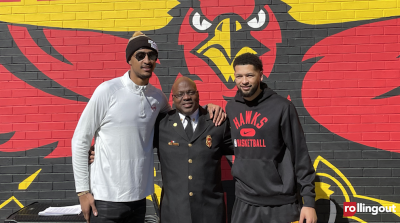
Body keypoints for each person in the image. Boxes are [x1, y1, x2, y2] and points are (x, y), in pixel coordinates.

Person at [72, 31, 225, 223]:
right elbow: (80, 140)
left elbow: (180, 119)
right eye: (140, 55)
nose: (147, 60)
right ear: (129, 59)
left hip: (139, 199)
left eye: (152, 55)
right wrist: (83, 192)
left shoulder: (157, 97)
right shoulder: (108, 91)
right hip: (106, 198)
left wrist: (206, 109)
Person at [226, 53, 317, 223]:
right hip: (244, 202)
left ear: (261, 74)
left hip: (280, 204)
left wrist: (309, 202)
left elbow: (300, 154)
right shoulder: (231, 107)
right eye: (239, 76)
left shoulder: (282, 107)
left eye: (249, 75)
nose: (244, 81)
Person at [154, 77, 234, 223]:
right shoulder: (161, 125)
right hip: (174, 213)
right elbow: (133, 140)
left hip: (210, 212)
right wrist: (97, 151)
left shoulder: (217, 122)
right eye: (180, 94)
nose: (186, 97)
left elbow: (245, 148)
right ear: (173, 98)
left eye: (190, 92)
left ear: (198, 94)